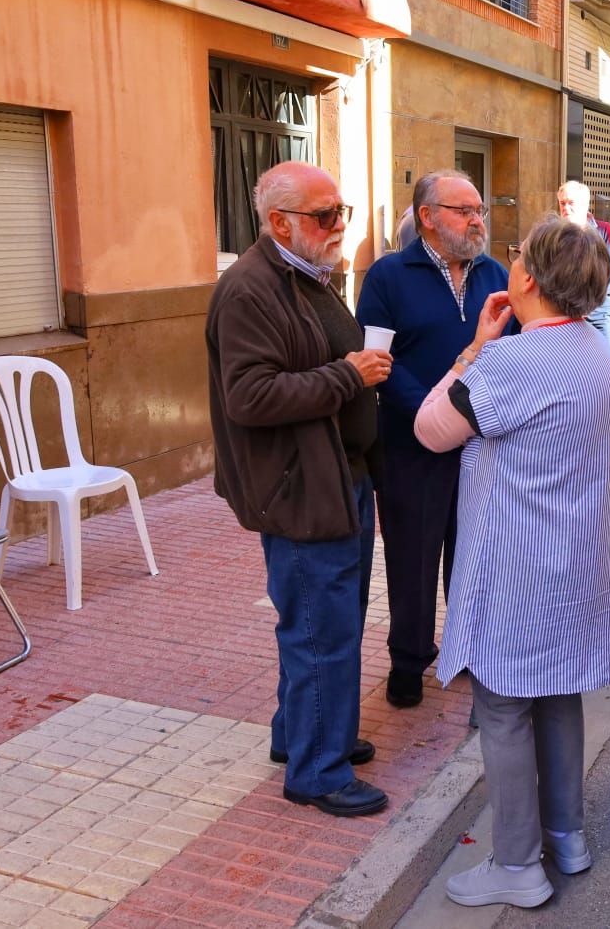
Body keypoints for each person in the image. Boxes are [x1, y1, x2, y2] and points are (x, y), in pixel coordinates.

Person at [413, 215, 610, 909]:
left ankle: (516, 864)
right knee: (558, 694)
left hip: (519, 567)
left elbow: (431, 428)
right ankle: (565, 835)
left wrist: (474, 346)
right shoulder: (596, 349)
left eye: (514, 258)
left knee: (504, 708)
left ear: (527, 278)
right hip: (577, 564)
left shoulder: (511, 362)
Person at [206, 161, 390, 817]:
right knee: (320, 632)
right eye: (324, 215)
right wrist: (349, 375)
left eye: (342, 211)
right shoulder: (250, 290)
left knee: (324, 624)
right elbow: (249, 396)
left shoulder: (307, 274)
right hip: (301, 486)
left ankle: (307, 737)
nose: (339, 225)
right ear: (278, 222)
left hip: (339, 478)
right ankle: (317, 771)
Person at [356, 169, 511, 709]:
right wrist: (428, 410)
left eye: (479, 210)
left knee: (472, 554)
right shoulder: (388, 276)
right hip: (408, 446)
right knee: (413, 557)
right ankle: (409, 659)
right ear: (427, 215)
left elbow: (514, 353)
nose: (476, 220)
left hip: (480, 445)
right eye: (463, 210)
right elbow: (379, 360)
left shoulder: (497, 275)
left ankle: (465, 648)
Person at [556, 180, 610, 355]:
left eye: (571, 203)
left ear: (584, 205)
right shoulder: (553, 234)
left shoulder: (603, 231)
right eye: (562, 203)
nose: (566, 208)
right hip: (564, 312)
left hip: (598, 311)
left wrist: (590, 300)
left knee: (609, 359)